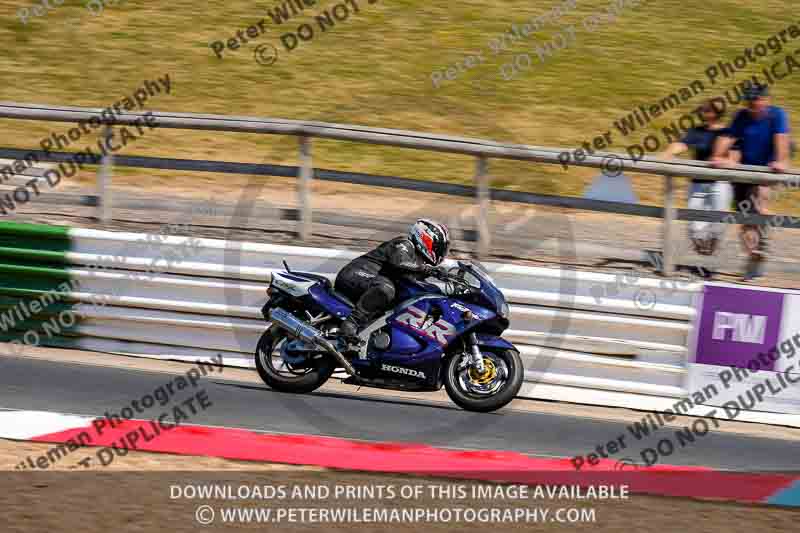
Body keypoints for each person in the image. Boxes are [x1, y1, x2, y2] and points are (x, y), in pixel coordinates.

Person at [711, 83, 792, 281]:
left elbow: (781, 139)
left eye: (756, 100)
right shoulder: (741, 116)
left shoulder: (777, 115)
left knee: (759, 203)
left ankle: (764, 239)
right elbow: (729, 136)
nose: (752, 104)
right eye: (749, 100)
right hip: (743, 172)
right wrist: (717, 156)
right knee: (745, 221)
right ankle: (753, 259)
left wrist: (781, 161)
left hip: (765, 170)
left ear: (766, 100)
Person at [334, 219, 451, 343]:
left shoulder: (417, 261)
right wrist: (429, 270)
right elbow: (399, 262)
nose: (441, 251)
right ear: (425, 238)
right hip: (355, 274)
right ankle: (351, 324)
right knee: (386, 288)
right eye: (439, 247)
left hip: (370, 281)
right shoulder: (404, 244)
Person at [660, 100, 734, 276]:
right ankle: (705, 258)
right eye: (702, 110)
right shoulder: (697, 131)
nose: (701, 113)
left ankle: (711, 263)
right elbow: (682, 144)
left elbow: (734, 158)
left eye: (705, 110)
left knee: (717, 226)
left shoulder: (728, 132)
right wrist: (667, 153)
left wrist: (725, 161)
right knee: (695, 229)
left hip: (720, 184)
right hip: (698, 184)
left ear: (715, 113)